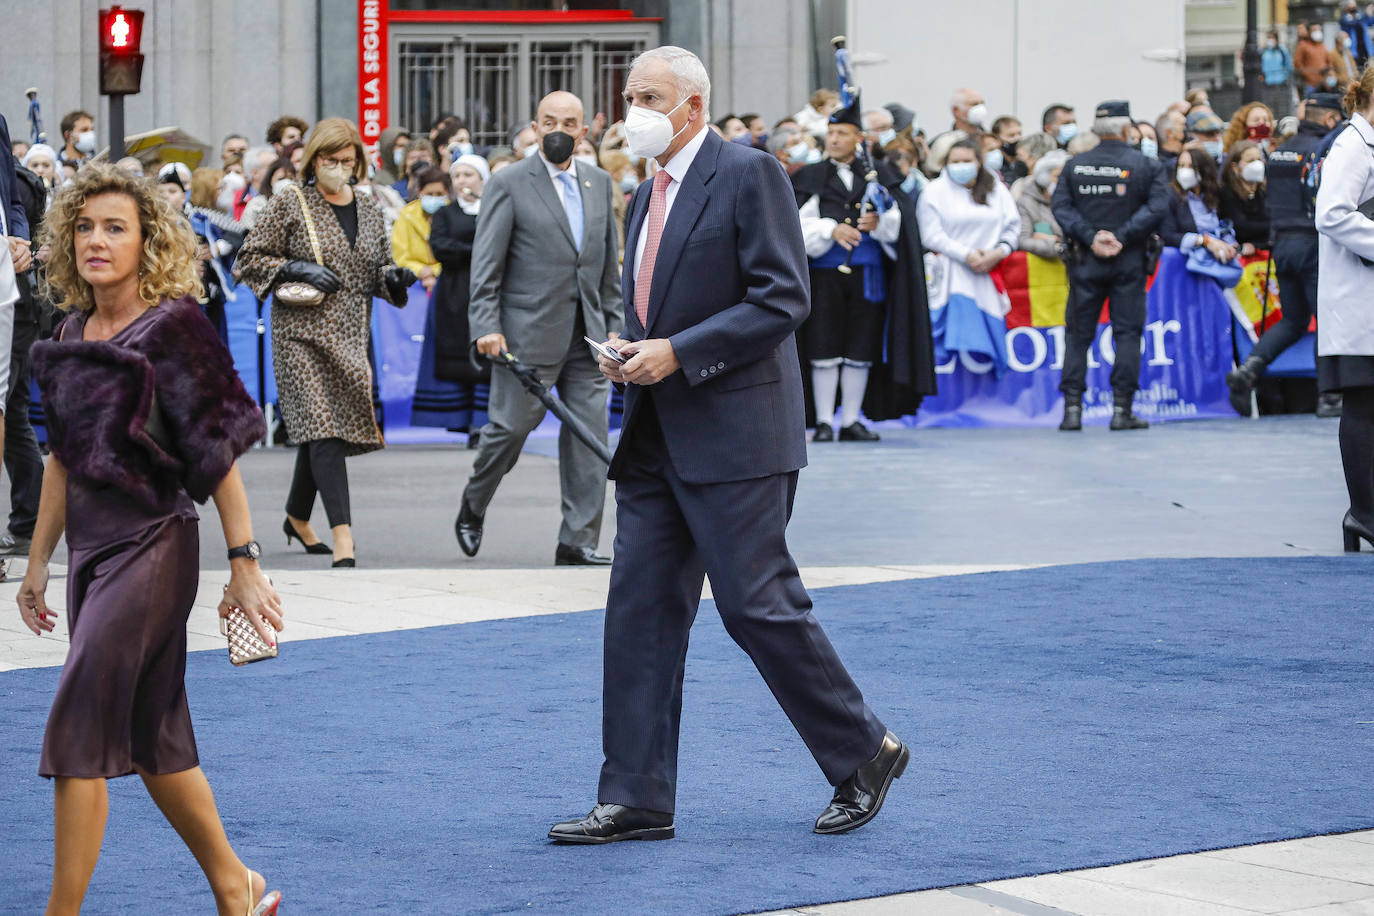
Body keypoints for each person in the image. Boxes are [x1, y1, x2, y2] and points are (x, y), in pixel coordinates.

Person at [549, 44, 906, 846]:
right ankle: (636, 796)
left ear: (694, 106)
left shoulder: (751, 174)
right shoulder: (644, 196)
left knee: (757, 607)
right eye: (630, 94)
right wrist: (632, 349)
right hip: (655, 436)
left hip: (739, 432)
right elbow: (659, 310)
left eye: (648, 95)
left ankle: (864, 751)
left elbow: (784, 296)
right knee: (638, 613)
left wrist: (677, 351)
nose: (631, 109)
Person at [19, 161, 282, 916]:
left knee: (76, 726)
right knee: (151, 731)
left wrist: (243, 562)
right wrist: (37, 565)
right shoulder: (68, 330)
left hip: (155, 545)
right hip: (92, 554)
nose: (96, 240)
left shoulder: (173, 326)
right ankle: (237, 886)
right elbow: (63, 459)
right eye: (84, 227)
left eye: (115, 228)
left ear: (149, 241)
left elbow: (218, 452)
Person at [236, 118, 416, 568]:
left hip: (350, 334)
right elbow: (250, 257)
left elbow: (376, 272)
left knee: (322, 433)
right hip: (299, 333)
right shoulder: (291, 203)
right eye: (330, 160)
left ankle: (297, 517)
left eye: (347, 160)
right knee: (321, 428)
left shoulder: (371, 208)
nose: (339, 168)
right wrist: (296, 269)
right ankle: (344, 538)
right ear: (313, 160)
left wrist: (395, 280)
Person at [456, 90, 622, 566]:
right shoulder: (509, 182)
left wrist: (614, 328)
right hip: (525, 335)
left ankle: (577, 540)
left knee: (590, 439)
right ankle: (474, 502)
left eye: (568, 123)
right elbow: (485, 266)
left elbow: (607, 268)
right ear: (534, 125)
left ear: (583, 130)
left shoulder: (598, 180)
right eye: (548, 121)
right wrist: (485, 325)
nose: (558, 131)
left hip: (589, 338)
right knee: (509, 429)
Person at [792, 94, 935, 440]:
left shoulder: (878, 174)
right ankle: (824, 420)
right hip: (823, 276)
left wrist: (879, 223)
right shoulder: (809, 175)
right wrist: (831, 228)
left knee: (861, 346)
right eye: (832, 133)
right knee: (823, 345)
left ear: (859, 138)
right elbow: (797, 225)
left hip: (868, 276)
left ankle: (851, 420)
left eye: (843, 133)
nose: (835, 139)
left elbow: (899, 225)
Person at [1051, 100, 1170, 431]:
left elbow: (1060, 207)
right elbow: (1158, 206)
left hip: (1086, 261)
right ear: (1126, 129)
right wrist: (1121, 236)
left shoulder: (1076, 165)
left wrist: (1092, 237)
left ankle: (1072, 409)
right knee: (1128, 334)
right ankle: (1122, 410)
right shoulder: (1146, 165)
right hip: (1129, 259)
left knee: (1078, 335)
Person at [1229, 93, 1346, 416]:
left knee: (1293, 320)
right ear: (1330, 119)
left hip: (1282, 243)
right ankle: (1329, 396)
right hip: (1313, 242)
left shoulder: (1279, 152)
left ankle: (1250, 369)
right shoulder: (1327, 149)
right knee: (1328, 320)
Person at [1315, 66, 1374, 551]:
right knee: (1363, 403)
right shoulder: (1352, 144)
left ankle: (1364, 512)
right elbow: (1332, 212)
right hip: (1359, 301)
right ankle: (1364, 513)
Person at [917, 138, 1021, 375]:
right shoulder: (934, 191)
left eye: (966, 161)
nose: (960, 166)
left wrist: (998, 252)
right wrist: (968, 255)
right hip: (950, 275)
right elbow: (931, 234)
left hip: (989, 272)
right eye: (955, 161)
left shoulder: (996, 188)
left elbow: (1013, 226)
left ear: (979, 162)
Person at [412, 154, 490, 438]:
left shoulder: (492, 209)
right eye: (457, 176)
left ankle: (484, 420)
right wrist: (477, 250)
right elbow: (440, 246)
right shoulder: (446, 213)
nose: (461, 181)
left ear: (482, 179)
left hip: (487, 288)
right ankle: (462, 419)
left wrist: (466, 249)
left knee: (486, 353)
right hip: (454, 291)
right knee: (457, 351)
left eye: (468, 175)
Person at [390, 165, 448, 294]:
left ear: (447, 193)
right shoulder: (407, 215)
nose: (434, 198)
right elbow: (400, 254)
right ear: (420, 192)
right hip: (413, 280)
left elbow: (455, 253)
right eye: (429, 194)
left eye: (439, 194)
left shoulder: (452, 214)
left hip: (446, 278)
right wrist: (421, 271)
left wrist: (434, 272)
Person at [1016, 149, 1069, 261]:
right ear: (1043, 177)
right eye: (1057, 176)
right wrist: (1057, 245)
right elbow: (1023, 240)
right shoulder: (1026, 203)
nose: (1062, 181)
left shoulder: (1070, 201)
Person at [1219, 140, 1270, 256]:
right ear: (1235, 167)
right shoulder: (1226, 192)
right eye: (1251, 161)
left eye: (1259, 159)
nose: (1257, 164)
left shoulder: (1265, 190)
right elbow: (1241, 227)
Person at [1297, 23, 1335, 93]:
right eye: (1314, 30)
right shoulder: (1303, 46)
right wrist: (1310, 77)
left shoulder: (1322, 46)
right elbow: (1298, 66)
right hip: (1310, 85)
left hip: (1324, 84)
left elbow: (1330, 62)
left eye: (1319, 30)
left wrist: (1329, 75)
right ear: (1309, 33)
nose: (1317, 32)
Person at [1341, 1, 1373, 68]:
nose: (1354, 7)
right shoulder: (1344, 19)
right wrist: (1366, 14)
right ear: (1345, 7)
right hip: (1352, 50)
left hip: (1364, 48)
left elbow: (1370, 21)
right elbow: (1354, 23)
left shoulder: (1360, 16)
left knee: (1366, 69)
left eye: (1354, 5)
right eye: (1351, 5)